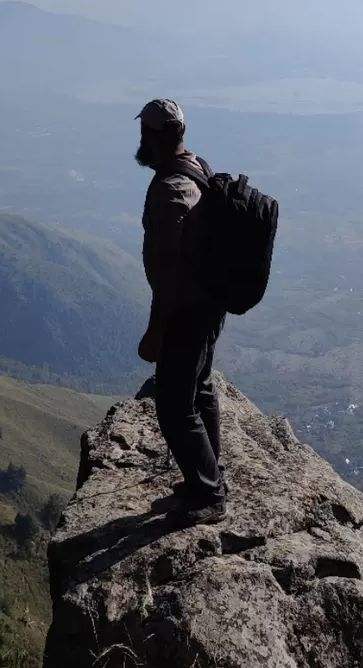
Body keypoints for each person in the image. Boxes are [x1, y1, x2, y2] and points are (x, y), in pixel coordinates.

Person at [135, 98, 226, 525]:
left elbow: (169, 273)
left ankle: (208, 498)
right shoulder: (196, 167)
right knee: (200, 388)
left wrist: (157, 331)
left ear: (150, 136)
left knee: (173, 407)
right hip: (209, 305)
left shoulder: (171, 189)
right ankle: (207, 478)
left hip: (186, 312)